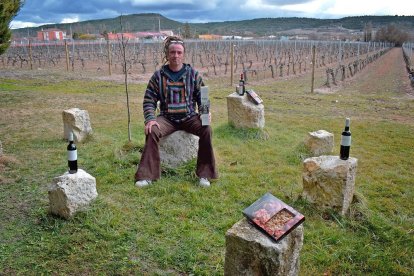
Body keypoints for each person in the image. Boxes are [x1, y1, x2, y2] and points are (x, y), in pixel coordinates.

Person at [135, 36, 218, 188]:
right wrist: (150, 118)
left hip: (189, 117)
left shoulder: (193, 74)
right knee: (152, 130)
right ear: (167, 54)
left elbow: (203, 96)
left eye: (179, 52)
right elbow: (149, 99)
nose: (176, 55)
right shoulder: (158, 76)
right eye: (172, 52)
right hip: (167, 119)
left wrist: (205, 113)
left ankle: (204, 175)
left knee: (206, 129)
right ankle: (147, 176)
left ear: (183, 54)